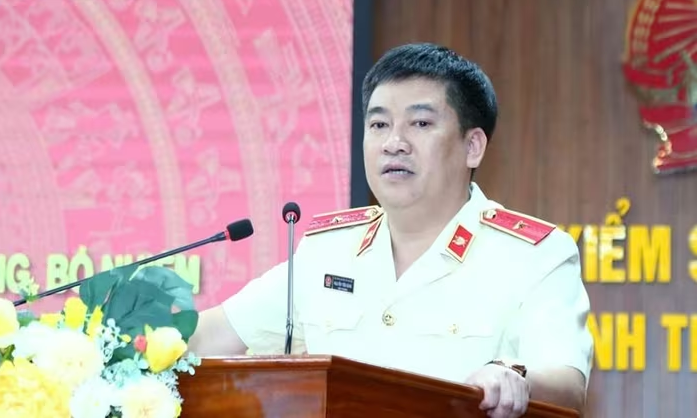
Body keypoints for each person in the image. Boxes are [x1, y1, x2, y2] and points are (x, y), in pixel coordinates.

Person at [189, 42, 593, 418]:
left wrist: (511, 375)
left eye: (420, 123)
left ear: (473, 146)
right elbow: (209, 338)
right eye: (379, 124)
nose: (394, 142)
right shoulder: (328, 251)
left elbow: (567, 384)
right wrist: (149, 335)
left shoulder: (533, 255)